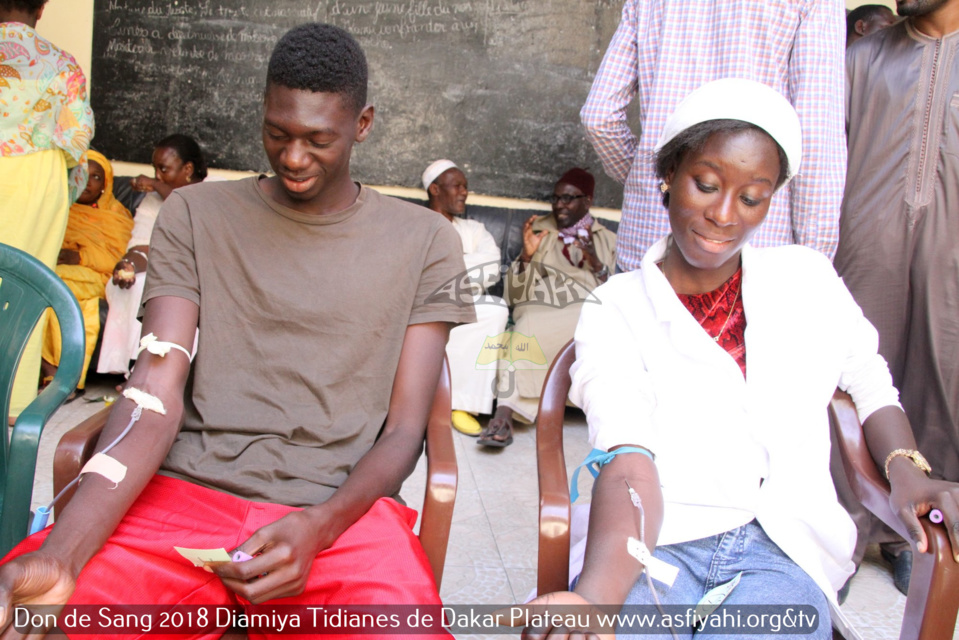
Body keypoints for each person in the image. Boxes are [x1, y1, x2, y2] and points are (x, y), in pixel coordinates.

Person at [0, 23, 473, 639]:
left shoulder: (426, 241)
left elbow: (407, 429)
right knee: (42, 612)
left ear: (363, 125)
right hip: (181, 499)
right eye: (278, 133)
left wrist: (319, 526)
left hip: (338, 518)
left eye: (317, 139)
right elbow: (155, 389)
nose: (293, 157)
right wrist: (63, 552)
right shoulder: (196, 214)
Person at [519, 79, 959, 639]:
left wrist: (907, 472)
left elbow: (871, 387)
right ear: (670, 174)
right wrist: (598, 601)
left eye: (752, 197)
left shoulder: (808, 280)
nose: (725, 214)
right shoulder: (617, 307)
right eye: (705, 185)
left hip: (785, 548)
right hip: (659, 543)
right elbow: (628, 459)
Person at [835, 0, 959, 596]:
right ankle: (843, 532)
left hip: (952, 256)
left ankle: (919, 534)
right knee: (853, 380)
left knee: (942, 381)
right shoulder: (861, 59)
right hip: (866, 247)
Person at [580, 0, 845, 272]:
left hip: (648, 245)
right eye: (705, 185)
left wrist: (658, 179)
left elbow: (600, 117)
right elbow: (816, 144)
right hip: (753, 259)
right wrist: (815, 265)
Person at [0, 0, 94, 418]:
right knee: (24, 293)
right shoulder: (62, 64)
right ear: (41, 7)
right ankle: (11, 402)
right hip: (37, 180)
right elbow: (77, 138)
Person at [481, 168, 615, 448]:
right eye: (556, 199)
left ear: (587, 200)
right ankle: (504, 412)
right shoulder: (542, 231)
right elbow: (514, 295)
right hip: (541, 302)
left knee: (589, 323)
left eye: (568, 199)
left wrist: (595, 260)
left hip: (586, 304)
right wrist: (528, 256)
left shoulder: (607, 239)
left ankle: (509, 410)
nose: (559, 205)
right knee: (528, 324)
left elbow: (615, 294)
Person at [96, 134, 207, 376]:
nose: (156, 176)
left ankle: (168, 374)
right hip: (162, 270)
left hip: (202, 274)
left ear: (188, 169)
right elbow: (141, 246)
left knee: (176, 290)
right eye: (155, 169)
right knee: (135, 285)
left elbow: (196, 219)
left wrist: (157, 186)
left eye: (163, 169)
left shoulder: (213, 192)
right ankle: (137, 370)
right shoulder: (152, 201)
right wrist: (128, 265)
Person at [423, 159, 509, 436]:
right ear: (435, 189)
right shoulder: (415, 224)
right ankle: (427, 402)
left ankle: (463, 405)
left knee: (496, 309)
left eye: (466, 187)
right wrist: (468, 261)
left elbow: (493, 266)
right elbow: (419, 273)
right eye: (457, 186)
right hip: (423, 303)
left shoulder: (474, 229)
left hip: (467, 306)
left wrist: (448, 267)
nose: (463, 192)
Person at [41, 150, 132, 393]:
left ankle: (59, 378)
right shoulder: (60, 206)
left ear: (106, 184)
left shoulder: (116, 216)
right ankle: (57, 377)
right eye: (81, 174)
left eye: (95, 177)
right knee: (46, 289)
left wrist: (80, 256)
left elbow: (119, 259)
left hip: (99, 277)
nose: (87, 182)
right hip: (59, 270)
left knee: (49, 284)